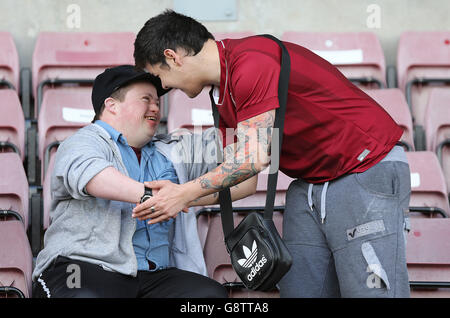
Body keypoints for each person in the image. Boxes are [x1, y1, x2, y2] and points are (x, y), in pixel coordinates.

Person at [132, 10, 412, 298]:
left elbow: (253, 159)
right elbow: (243, 182)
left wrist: (184, 192)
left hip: (363, 167)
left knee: (372, 294)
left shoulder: (252, 62)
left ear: (173, 57)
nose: (164, 87)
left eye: (159, 76)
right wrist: (177, 199)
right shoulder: (221, 93)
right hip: (312, 184)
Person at [32, 65, 257, 298]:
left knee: (209, 295)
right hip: (81, 266)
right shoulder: (83, 141)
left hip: (154, 276)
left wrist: (239, 96)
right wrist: (160, 198)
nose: (155, 108)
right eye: (146, 99)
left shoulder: (173, 149)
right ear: (112, 105)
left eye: (158, 102)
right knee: (80, 295)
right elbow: (93, 175)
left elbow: (240, 143)